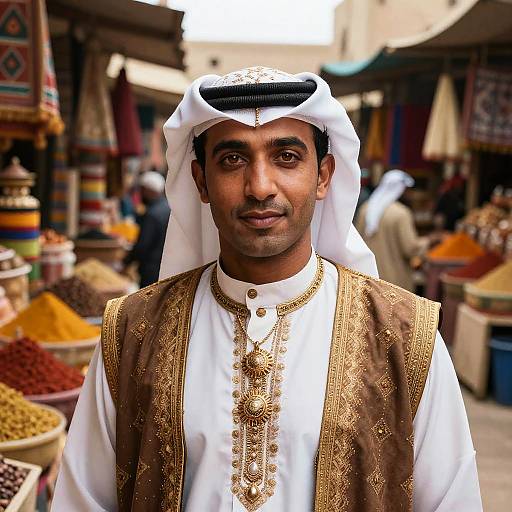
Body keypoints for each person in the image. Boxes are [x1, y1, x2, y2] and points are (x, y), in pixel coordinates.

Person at [52, 67, 482, 511]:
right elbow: (81, 500)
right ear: (200, 181)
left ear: (323, 176)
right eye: (233, 160)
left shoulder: (406, 336)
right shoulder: (132, 332)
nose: (259, 187)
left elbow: (452, 500)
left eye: (287, 157)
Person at [356, 170, 429, 292]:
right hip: (394, 280)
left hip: (368, 276)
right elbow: (410, 248)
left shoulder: (366, 209)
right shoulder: (401, 213)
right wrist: (428, 241)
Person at [123, 171, 170, 287]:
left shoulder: (152, 214)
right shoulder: (167, 208)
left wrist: (126, 262)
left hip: (151, 271)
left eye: (142, 190)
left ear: (149, 191)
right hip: (165, 267)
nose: (141, 194)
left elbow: (142, 246)